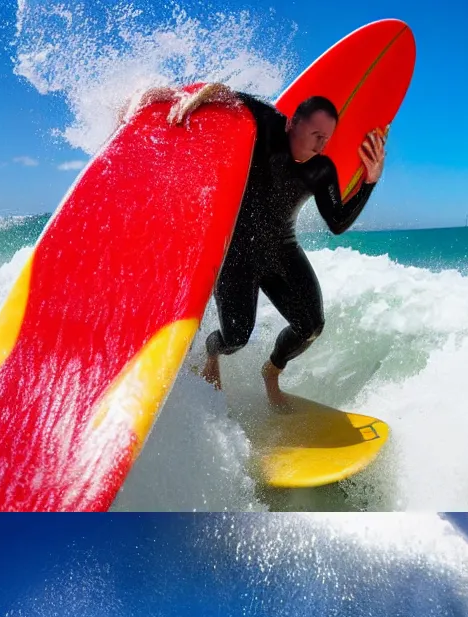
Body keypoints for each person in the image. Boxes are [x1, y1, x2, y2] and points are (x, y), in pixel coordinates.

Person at [123, 82, 387, 411]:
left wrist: (370, 181)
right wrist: (178, 99)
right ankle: (212, 352)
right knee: (235, 337)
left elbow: (337, 223)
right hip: (235, 254)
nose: (321, 145)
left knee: (311, 326)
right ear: (293, 123)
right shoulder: (267, 122)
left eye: (326, 138)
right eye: (316, 134)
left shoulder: (322, 170)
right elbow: (224, 94)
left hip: (281, 250)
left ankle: (272, 371)